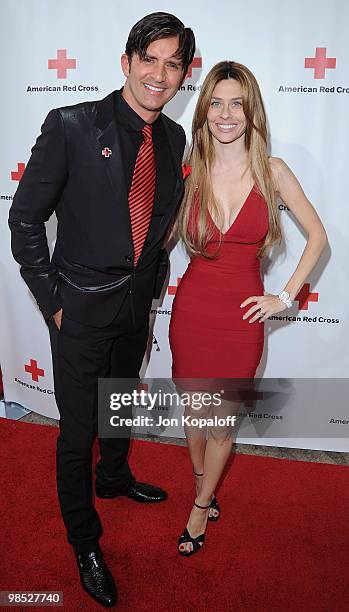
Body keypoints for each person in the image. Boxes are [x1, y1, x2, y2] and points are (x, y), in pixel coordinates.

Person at [9, 12, 195, 607]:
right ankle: (84, 540)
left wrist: (152, 289)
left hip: (135, 308)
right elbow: (24, 219)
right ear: (126, 62)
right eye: (149, 59)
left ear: (183, 74)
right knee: (78, 429)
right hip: (79, 311)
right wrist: (54, 302)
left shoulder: (173, 139)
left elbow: (157, 225)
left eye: (173, 63)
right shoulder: (71, 125)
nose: (159, 74)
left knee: (120, 401)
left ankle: (113, 478)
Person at [169, 61, 327, 556]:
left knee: (221, 422)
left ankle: (200, 507)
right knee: (195, 415)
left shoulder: (272, 171)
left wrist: (284, 297)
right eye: (216, 102)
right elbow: (158, 234)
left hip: (240, 320)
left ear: (251, 110)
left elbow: (318, 237)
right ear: (204, 111)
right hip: (192, 312)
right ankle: (202, 482)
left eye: (236, 103)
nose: (225, 113)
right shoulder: (188, 170)